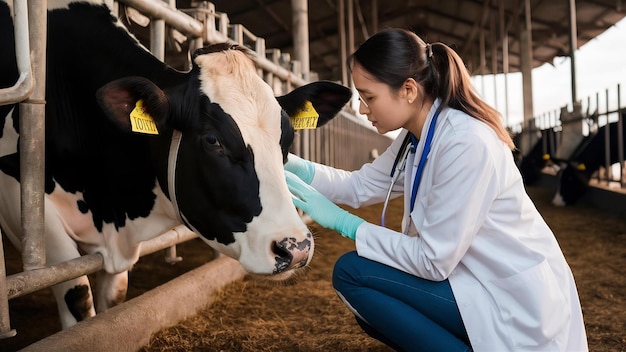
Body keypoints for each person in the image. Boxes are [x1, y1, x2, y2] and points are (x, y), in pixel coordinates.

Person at [284, 28, 587, 352]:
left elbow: (432, 261)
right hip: (473, 281)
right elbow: (361, 185)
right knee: (365, 289)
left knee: (355, 276)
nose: (361, 108)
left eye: (368, 97)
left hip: (514, 300)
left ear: (409, 90)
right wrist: (291, 164)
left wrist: (346, 224)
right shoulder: (417, 136)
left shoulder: (466, 142)